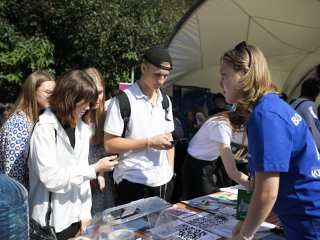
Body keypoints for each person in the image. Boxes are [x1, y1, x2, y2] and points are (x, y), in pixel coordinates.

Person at [220, 41, 320, 239]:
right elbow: (260, 182)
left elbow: (267, 192)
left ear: (245, 72)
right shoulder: (270, 107)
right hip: (302, 215)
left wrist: (244, 236)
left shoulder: (266, 115)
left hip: (308, 221)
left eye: (224, 75)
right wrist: (243, 223)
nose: (220, 83)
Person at [28, 70, 119, 240]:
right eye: (85, 101)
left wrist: (85, 213)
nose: (88, 107)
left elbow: (82, 174)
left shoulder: (81, 127)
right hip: (50, 222)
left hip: (75, 216)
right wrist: (95, 168)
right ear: (70, 97)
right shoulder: (44, 129)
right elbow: (51, 179)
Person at [104, 45, 175, 205]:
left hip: (163, 181)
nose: (161, 81)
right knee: (132, 230)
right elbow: (109, 144)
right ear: (143, 68)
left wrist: (170, 170)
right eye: (157, 75)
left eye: (165, 76)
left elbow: (169, 135)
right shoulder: (123, 100)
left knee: (161, 229)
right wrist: (149, 143)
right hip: (132, 179)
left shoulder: (165, 101)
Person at [182, 106, 251, 200]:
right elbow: (232, 172)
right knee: (201, 201)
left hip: (213, 161)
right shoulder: (222, 125)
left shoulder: (238, 124)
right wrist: (255, 186)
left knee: (216, 196)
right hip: (196, 165)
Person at [0, 71, 55, 189]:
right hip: (19, 200)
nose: (52, 97)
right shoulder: (18, 126)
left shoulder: (36, 121)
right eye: (47, 92)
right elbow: (13, 176)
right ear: (32, 92)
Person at [84, 67, 116, 216]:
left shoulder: (106, 115)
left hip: (101, 179)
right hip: (79, 176)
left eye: (101, 92)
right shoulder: (76, 115)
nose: (97, 98)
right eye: (93, 93)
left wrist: (101, 173)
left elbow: (107, 149)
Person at [290, 77, 320, 150]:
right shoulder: (310, 104)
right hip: (299, 148)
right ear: (315, 94)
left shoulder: (293, 103)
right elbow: (313, 131)